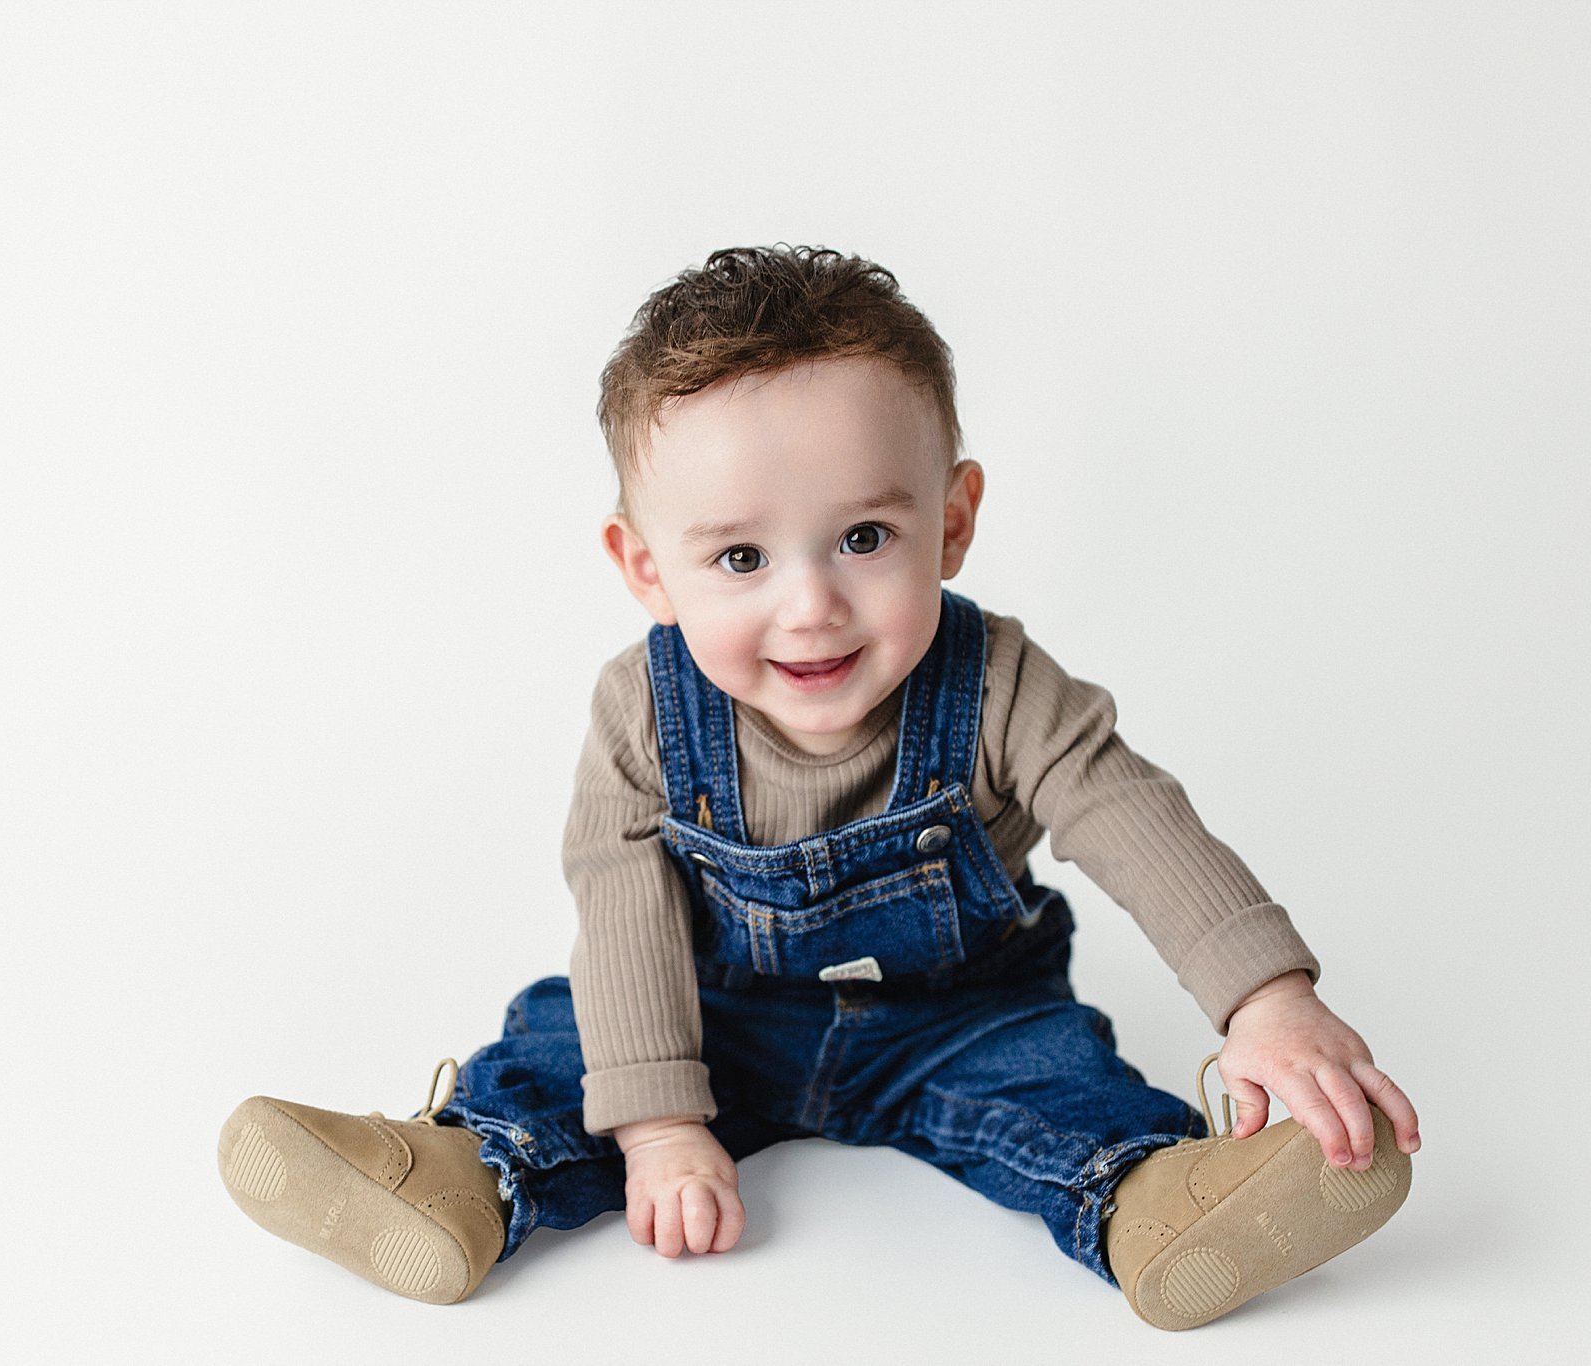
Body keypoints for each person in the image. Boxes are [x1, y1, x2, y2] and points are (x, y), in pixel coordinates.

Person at [216, 244, 1420, 1328]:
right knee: (558, 1040)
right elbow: (621, 905)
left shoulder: (993, 679)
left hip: (956, 1022)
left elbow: (1123, 806)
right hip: (708, 1014)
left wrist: (1264, 997)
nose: (809, 605)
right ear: (645, 566)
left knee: (1059, 1082)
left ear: (949, 523)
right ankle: (462, 1177)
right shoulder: (642, 709)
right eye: (738, 557)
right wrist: (659, 1124)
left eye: (861, 538)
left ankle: (1159, 1200)